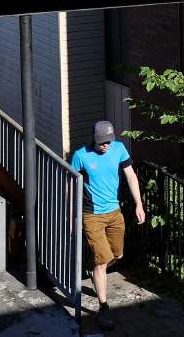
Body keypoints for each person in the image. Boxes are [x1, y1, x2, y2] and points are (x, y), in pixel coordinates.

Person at [70, 120, 144, 331]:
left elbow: (130, 175)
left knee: (117, 255)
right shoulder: (81, 156)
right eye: (102, 142)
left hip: (114, 212)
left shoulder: (119, 149)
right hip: (91, 214)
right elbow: (71, 185)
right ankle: (103, 307)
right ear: (94, 138)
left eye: (109, 142)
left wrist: (139, 204)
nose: (106, 146)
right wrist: (72, 216)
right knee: (102, 260)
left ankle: (95, 270)